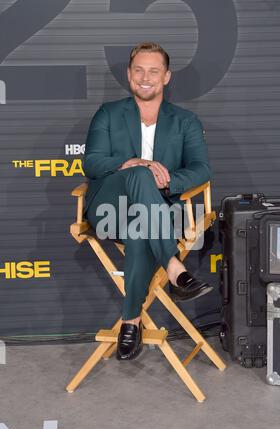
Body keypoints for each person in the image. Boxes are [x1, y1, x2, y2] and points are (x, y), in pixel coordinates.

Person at [83, 42, 213, 361]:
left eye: (153, 71)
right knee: (139, 172)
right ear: (129, 75)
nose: (145, 77)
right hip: (109, 208)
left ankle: (131, 323)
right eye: (139, 70)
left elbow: (201, 168)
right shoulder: (108, 114)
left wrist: (166, 179)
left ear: (166, 77)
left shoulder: (185, 121)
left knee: (143, 227)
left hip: (157, 211)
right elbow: (92, 162)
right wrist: (127, 164)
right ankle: (174, 267)